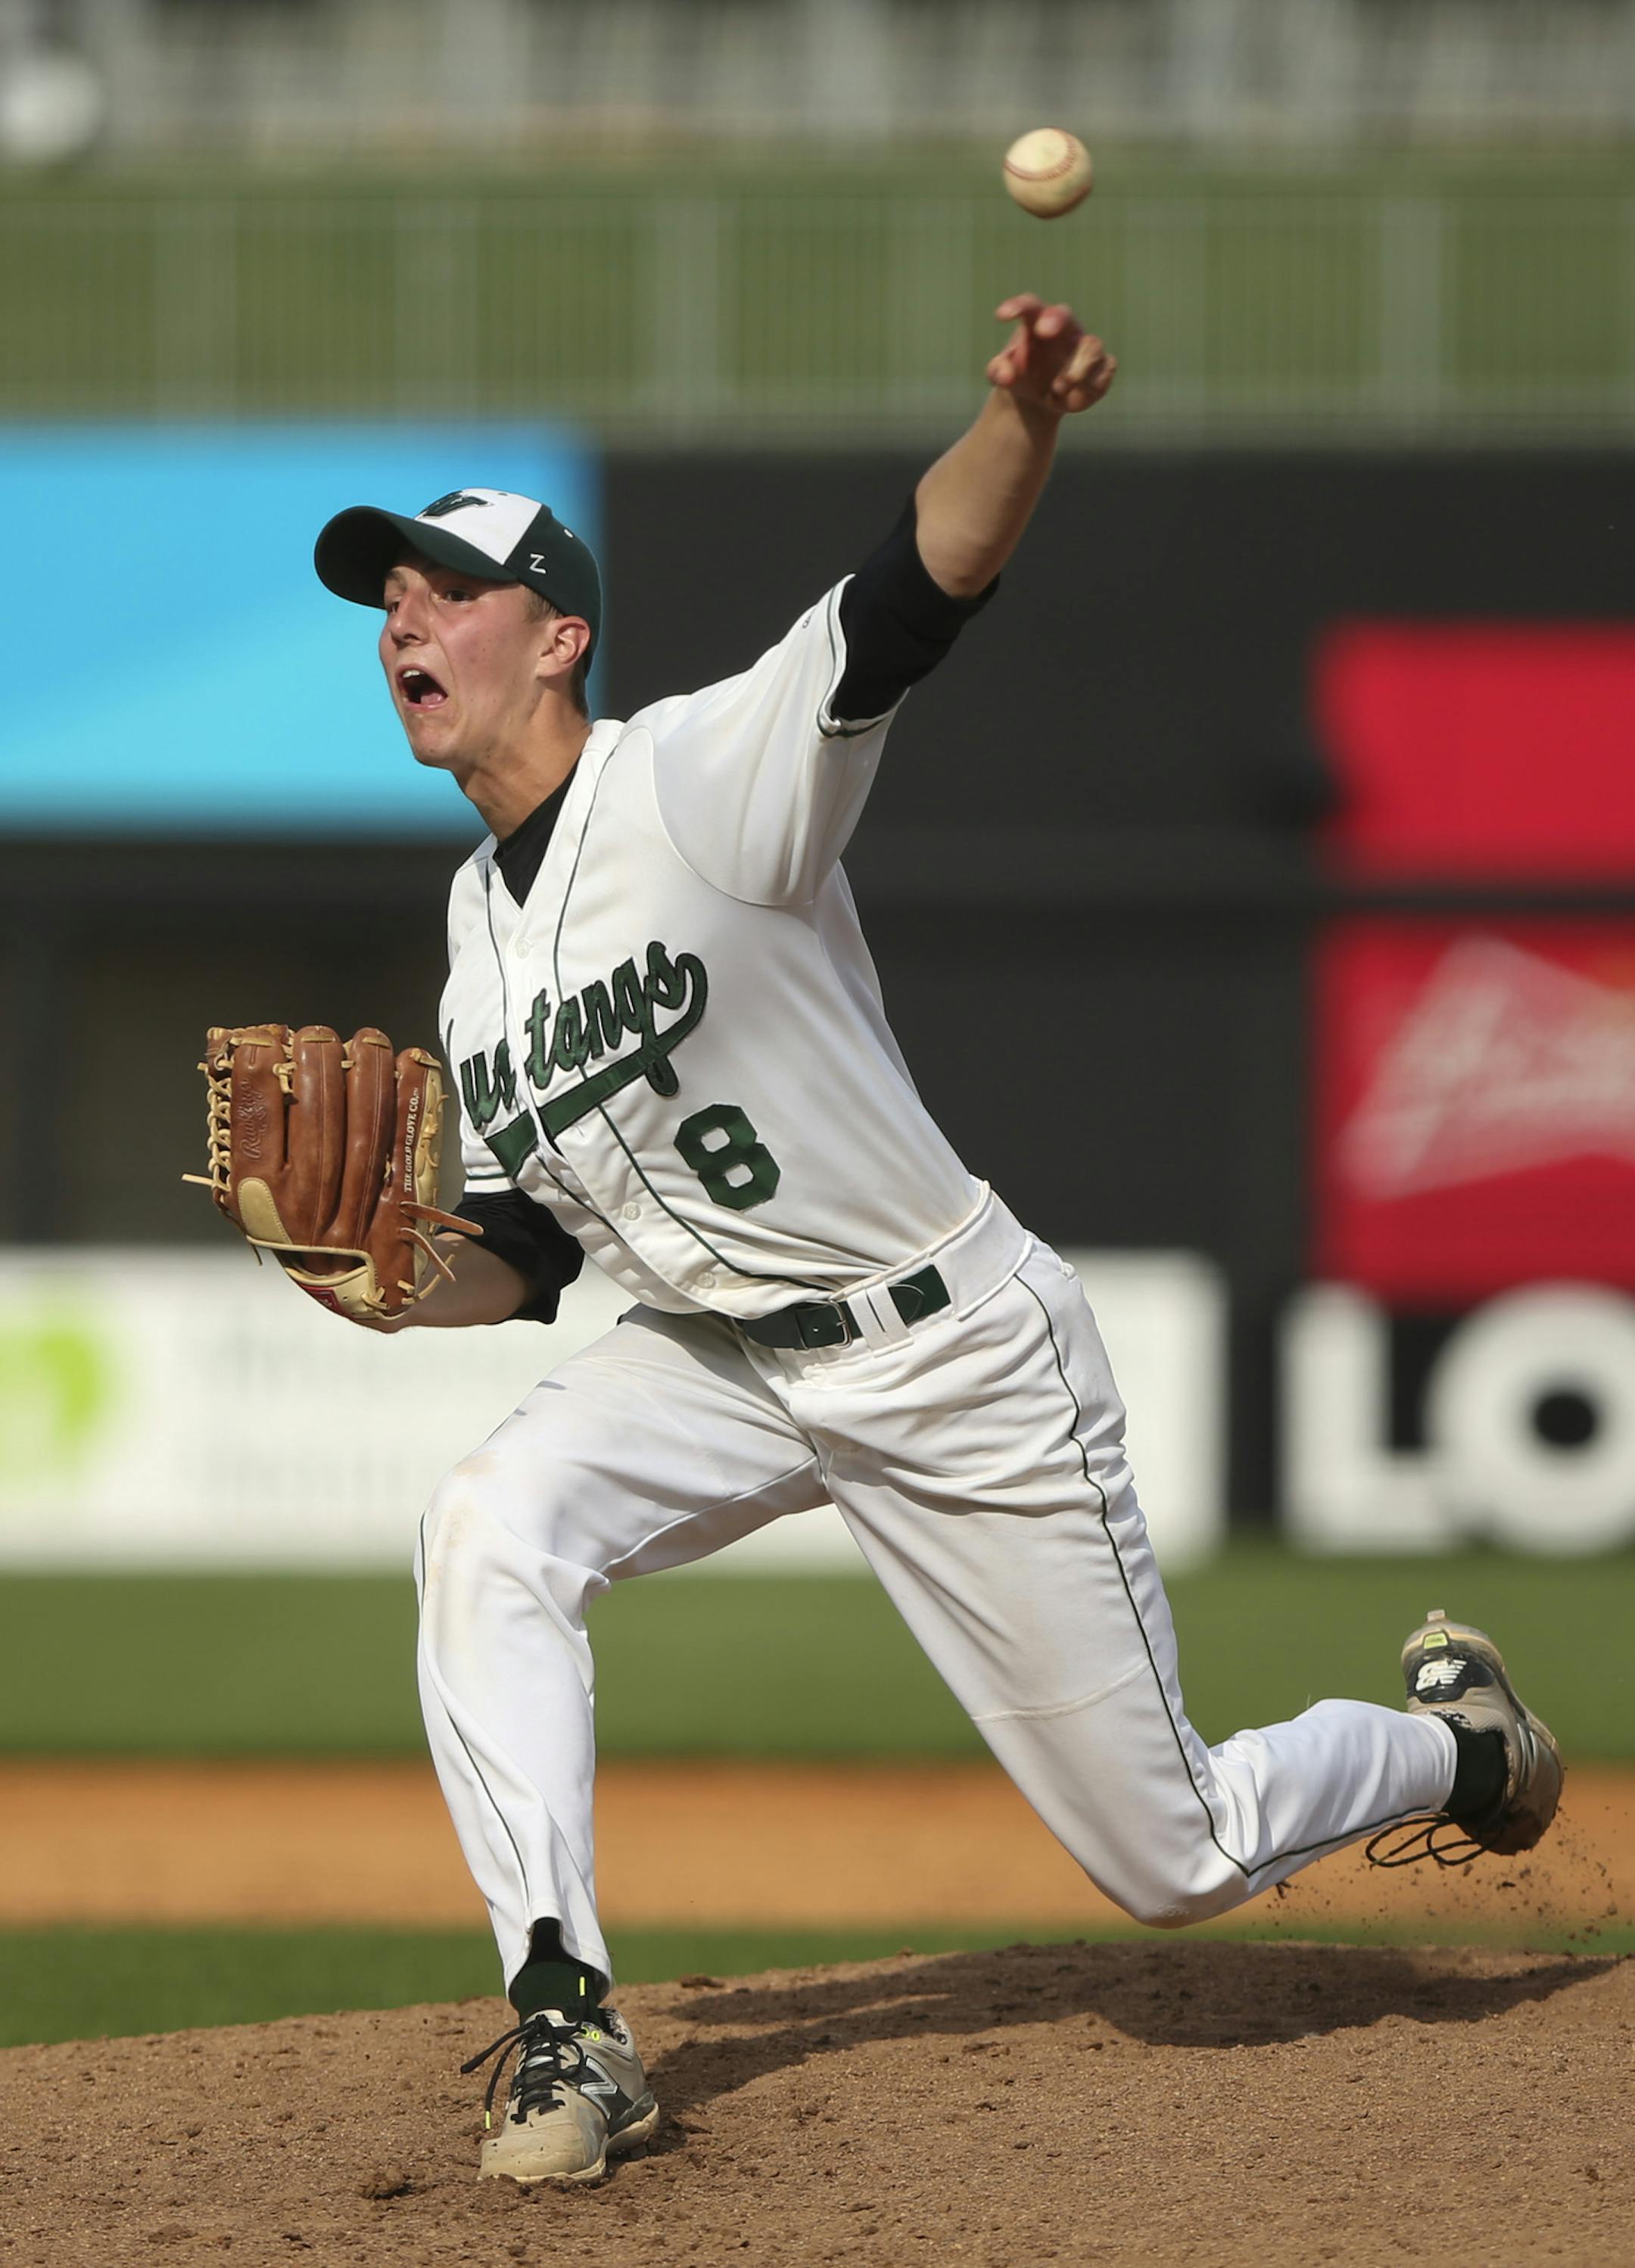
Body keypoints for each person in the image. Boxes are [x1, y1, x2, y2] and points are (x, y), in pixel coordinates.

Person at [310, 294, 1561, 2187]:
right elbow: (539, 1249)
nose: (403, 617)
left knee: (1177, 1857)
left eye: (446, 587)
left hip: (949, 1348)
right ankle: (564, 2015)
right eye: (387, 595)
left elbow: (909, 594)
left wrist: (1022, 419)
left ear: (558, 634)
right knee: (492, 1520)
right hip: (714, 1358)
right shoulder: (477, 941)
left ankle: (1457, 1750)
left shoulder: (702, 779)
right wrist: (405, 1288)